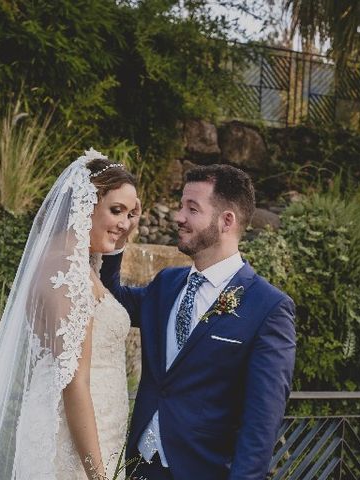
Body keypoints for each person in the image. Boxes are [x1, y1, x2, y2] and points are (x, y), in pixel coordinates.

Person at [0, 148, 139, 480]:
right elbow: (75, 383)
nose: (125, 223)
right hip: (73, 444)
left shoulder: (72, 262)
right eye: (116, 210)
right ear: (86, 205)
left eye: (131, 214)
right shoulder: (68, 274)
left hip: (89, 434)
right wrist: (98, 476)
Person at [100, 164, 296, 480]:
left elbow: (261, 422)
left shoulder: (269, 308)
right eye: (181, 206)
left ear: (226, 221)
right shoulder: (166, 284)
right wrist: (119, 238)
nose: (179, 217)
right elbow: (108, 301)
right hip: (138, 468)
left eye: (192, 208)